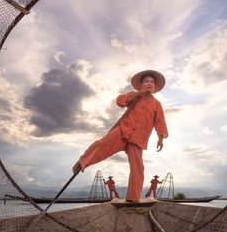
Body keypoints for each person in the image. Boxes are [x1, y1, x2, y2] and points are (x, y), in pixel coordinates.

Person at [72, 69, 168, 202]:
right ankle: (82, 163)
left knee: (138, 168)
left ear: (155, 86)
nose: (149, 84)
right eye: (146, 81)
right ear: (141, 84)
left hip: (138, 139)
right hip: (123, 131)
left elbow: (160, 122)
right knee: (102, 144)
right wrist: (135, 95)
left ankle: (133, 198)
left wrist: (161, 137)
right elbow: (120, 101)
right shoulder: (134, 95)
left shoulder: (157, 105)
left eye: (152, 82)